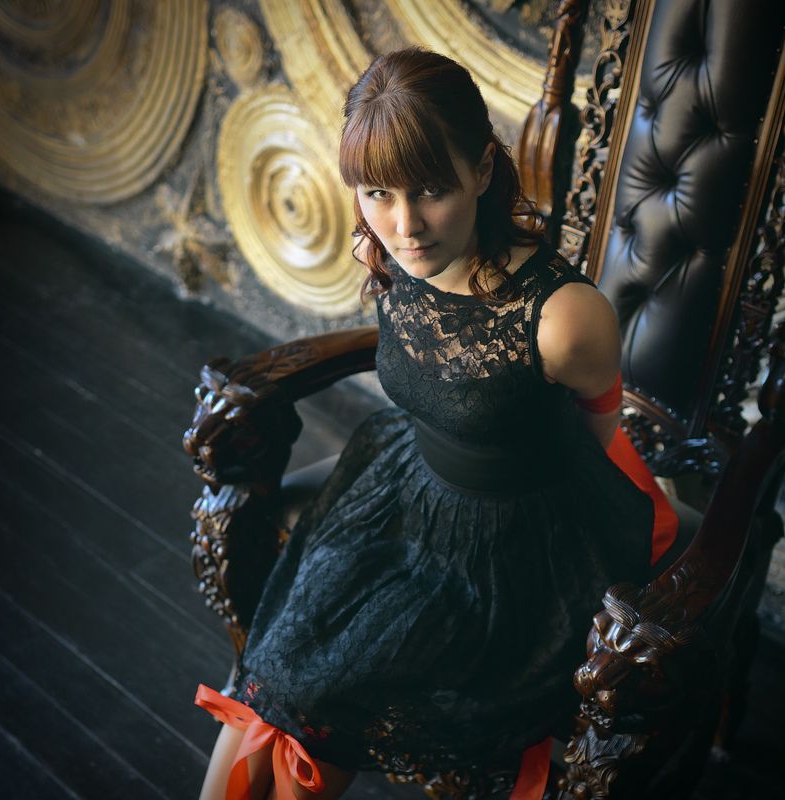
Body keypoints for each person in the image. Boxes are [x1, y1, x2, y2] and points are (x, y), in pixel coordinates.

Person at [195, 47, 677, 800]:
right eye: (378, 193)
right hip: (401, 480)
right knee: (273, 681)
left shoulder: (564, 318)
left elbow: (597, 436)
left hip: (517, 532)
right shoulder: (386, 249)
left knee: (319, 696)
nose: (404, 225)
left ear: (482, 170)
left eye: (430, 190)